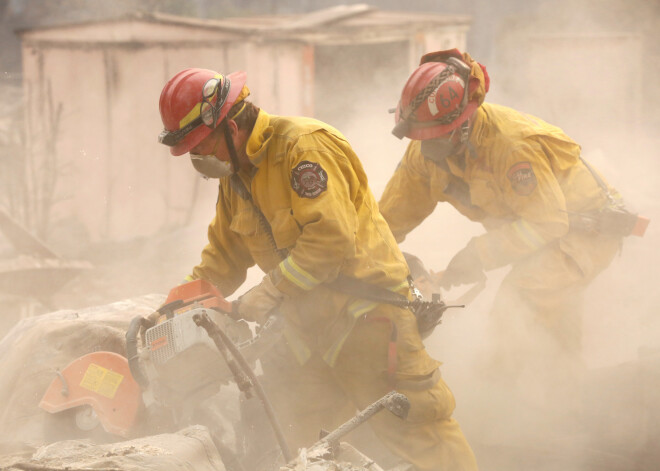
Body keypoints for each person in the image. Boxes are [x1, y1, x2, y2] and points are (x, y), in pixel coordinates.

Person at [157, 67, 478, 471]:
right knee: (305, 446)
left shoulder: (303, 149)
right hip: (306, 338)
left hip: (369, 322)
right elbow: (222, 258)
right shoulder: (235, 177)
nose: (201, 159)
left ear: (232, 124)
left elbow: (331, 241)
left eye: (202, 146)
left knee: (420, 431)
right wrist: (172, 310)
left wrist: (269, 292)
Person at [378, 49, 642, 433]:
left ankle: (495, 412)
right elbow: (386, 220)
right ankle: (568, 414)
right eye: (420, 138)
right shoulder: (426, 151)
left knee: (520, 302)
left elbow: (546, 223)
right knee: (553, 325)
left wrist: (478, 254)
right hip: (540, 230)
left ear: (462, 126)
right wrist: (368, 260)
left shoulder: (511, 145)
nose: (425, 149)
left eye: (433, 139)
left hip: (582, 232)